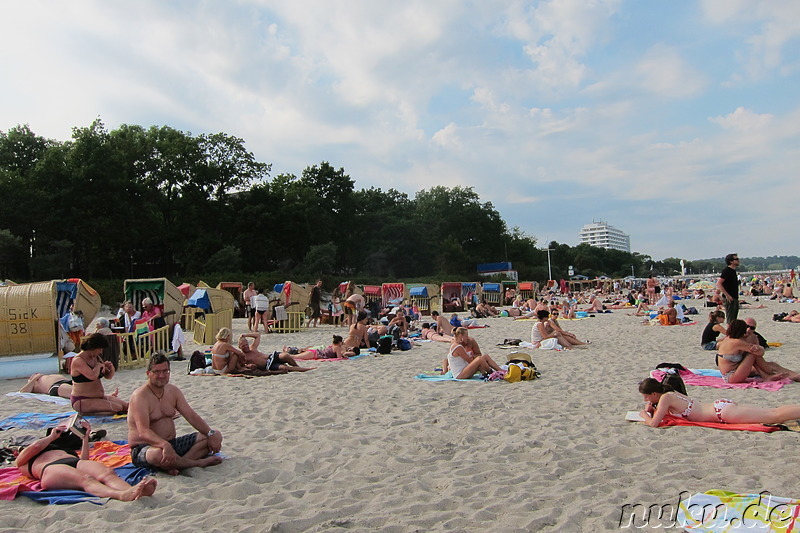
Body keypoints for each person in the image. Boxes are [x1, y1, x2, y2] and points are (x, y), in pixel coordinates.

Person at [128, 352, 223, 475]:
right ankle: (196, 463)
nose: (161, 375)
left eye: (165, 371)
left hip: (172, 444)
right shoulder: (140, 396)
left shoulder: (172, 391)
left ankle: (177, 464)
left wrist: (210, 433)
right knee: (157, 455)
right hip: (145, 447)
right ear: (148, 373)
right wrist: (164, 445)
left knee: (215, 435)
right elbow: (143, 431)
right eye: (157, 372)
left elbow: (191, 416)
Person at [16, 420, 156, 501]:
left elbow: (84, 460)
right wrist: (52, 437)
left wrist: (85, 438)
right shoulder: (24, 458)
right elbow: (36, 446)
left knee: (107, 473)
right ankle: (121, 495)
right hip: (50, 469)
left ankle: (132, 490)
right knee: (86, 479)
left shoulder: (62, 449)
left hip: (73, 462)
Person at [637, 377, 800, 427]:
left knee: (774, 416)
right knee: (772, 412)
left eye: (646, 396)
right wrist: (652, 406)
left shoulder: (665, 397)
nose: (645, 400)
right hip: (720, 407)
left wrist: (644, 414)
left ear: (654, 393)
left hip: (722, 413)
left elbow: (654, 423)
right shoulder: (669, 392)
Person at [70, 333, 127, 415]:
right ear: (93, 347)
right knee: (118, 408)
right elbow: (92, 376)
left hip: (98, 397)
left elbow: (108, 376)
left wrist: (111, 368)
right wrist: (98, 366)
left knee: (126, 406)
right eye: (100, 349)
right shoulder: (78, 360)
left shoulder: (96, 357)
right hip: (83, 400)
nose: (101, 352)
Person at [238, 333, 315, 370]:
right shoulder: (243, 356)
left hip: (271, 357)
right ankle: (304, 369)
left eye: (246, 344)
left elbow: (258, 335)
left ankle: (298, 367)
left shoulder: (253, 348)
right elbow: (241, 366)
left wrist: (245, 335)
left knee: (286, 356)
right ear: (240, 347)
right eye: (243, 346)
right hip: (268, 365)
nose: (246, 347)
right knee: (284, 368)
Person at [717, 253, 740, 324]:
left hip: (734, 297)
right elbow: (719, 283)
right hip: (729, 298)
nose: (738, 260)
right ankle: (730, 334)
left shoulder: (733, 271)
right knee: (730, 320)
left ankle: (733, 333)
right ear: (731, 261)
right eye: (736, 259)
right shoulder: (726, 271)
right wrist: (727, 295)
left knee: (734, 319)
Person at [290, 335, 355, 360]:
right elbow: (339, 357)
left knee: (295, 356)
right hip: (315, 354)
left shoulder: (332, 345)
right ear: (339, 342)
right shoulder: (337, 348)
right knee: (295, 357)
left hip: (315, 352)